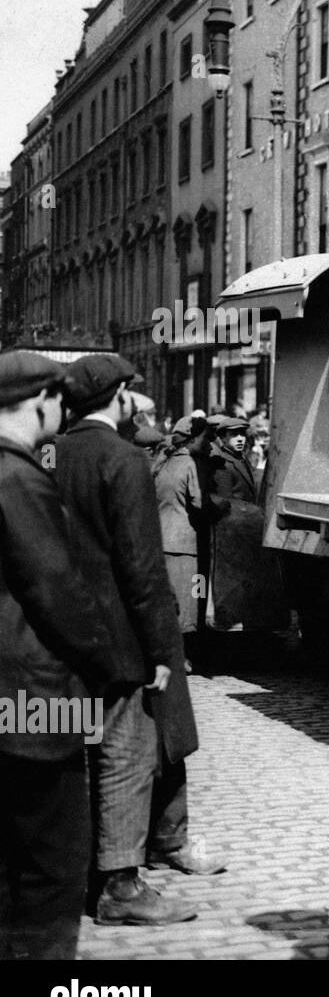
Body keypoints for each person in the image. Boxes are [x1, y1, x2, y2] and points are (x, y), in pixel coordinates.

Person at [58, 356, 223, 928]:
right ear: (120, 395)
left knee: (78, 757)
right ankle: (120, 887)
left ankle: (86, 873)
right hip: (124, 641)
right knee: (123, 760)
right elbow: (141, 567)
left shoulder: (51, 456)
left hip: (67, 637)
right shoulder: (122, 460)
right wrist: (160, 651)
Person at [0, 351, 117, 958]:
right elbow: (57, 591)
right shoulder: (17, 478)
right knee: (54, 866)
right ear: (44, 401)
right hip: (35, 702)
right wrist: (103, 659)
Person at [154, 415, 230, 667]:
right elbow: (200, 504)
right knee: (189, 604)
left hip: (163, 541)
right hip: (186, 544)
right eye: (206, 439)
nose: (210, 445)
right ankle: (184, 658)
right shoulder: (189, 464)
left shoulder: (164, 462)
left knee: (171, 599)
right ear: (194, 438)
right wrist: (222, 507)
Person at [210, 415, 256, 502]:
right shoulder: (222, 463)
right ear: (223, 438)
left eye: (242, 434)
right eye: (234, 435)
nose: (240, 439)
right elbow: (225, 499)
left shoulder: (241, 457)